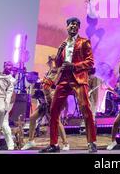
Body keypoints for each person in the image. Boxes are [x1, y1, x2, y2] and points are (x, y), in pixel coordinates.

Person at [39, 17, 97, 153]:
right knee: (53, 110)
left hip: (78, 78)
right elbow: (58, 64)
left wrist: (74, 66)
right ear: (67, 27)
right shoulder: (63, 44)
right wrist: (59, 52)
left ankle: (92, 142)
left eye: (76, 25)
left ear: (78, 28)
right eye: (71, 24)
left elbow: (90, 62)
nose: (73, 26)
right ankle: (54, 144)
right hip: (64, 79)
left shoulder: (84, 42)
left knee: (85, 109)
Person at [22, 56, 69, 151]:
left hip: (53, 100)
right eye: (50, 61)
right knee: (32, 117)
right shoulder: (49, 72)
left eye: (52, 61)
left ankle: (65, 143)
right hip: (45, 100)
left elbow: (54, 83)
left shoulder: (59, 71)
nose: (51, 63)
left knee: (57, 121)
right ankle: (31, 141)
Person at [0, 62, 17, 151]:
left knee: (4, 123)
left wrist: (10, 103)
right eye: (7, 64)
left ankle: (11, 144)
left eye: (10, 65)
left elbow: (12, 93)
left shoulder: (12, 78)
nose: (8, 66)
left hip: (6, 102)